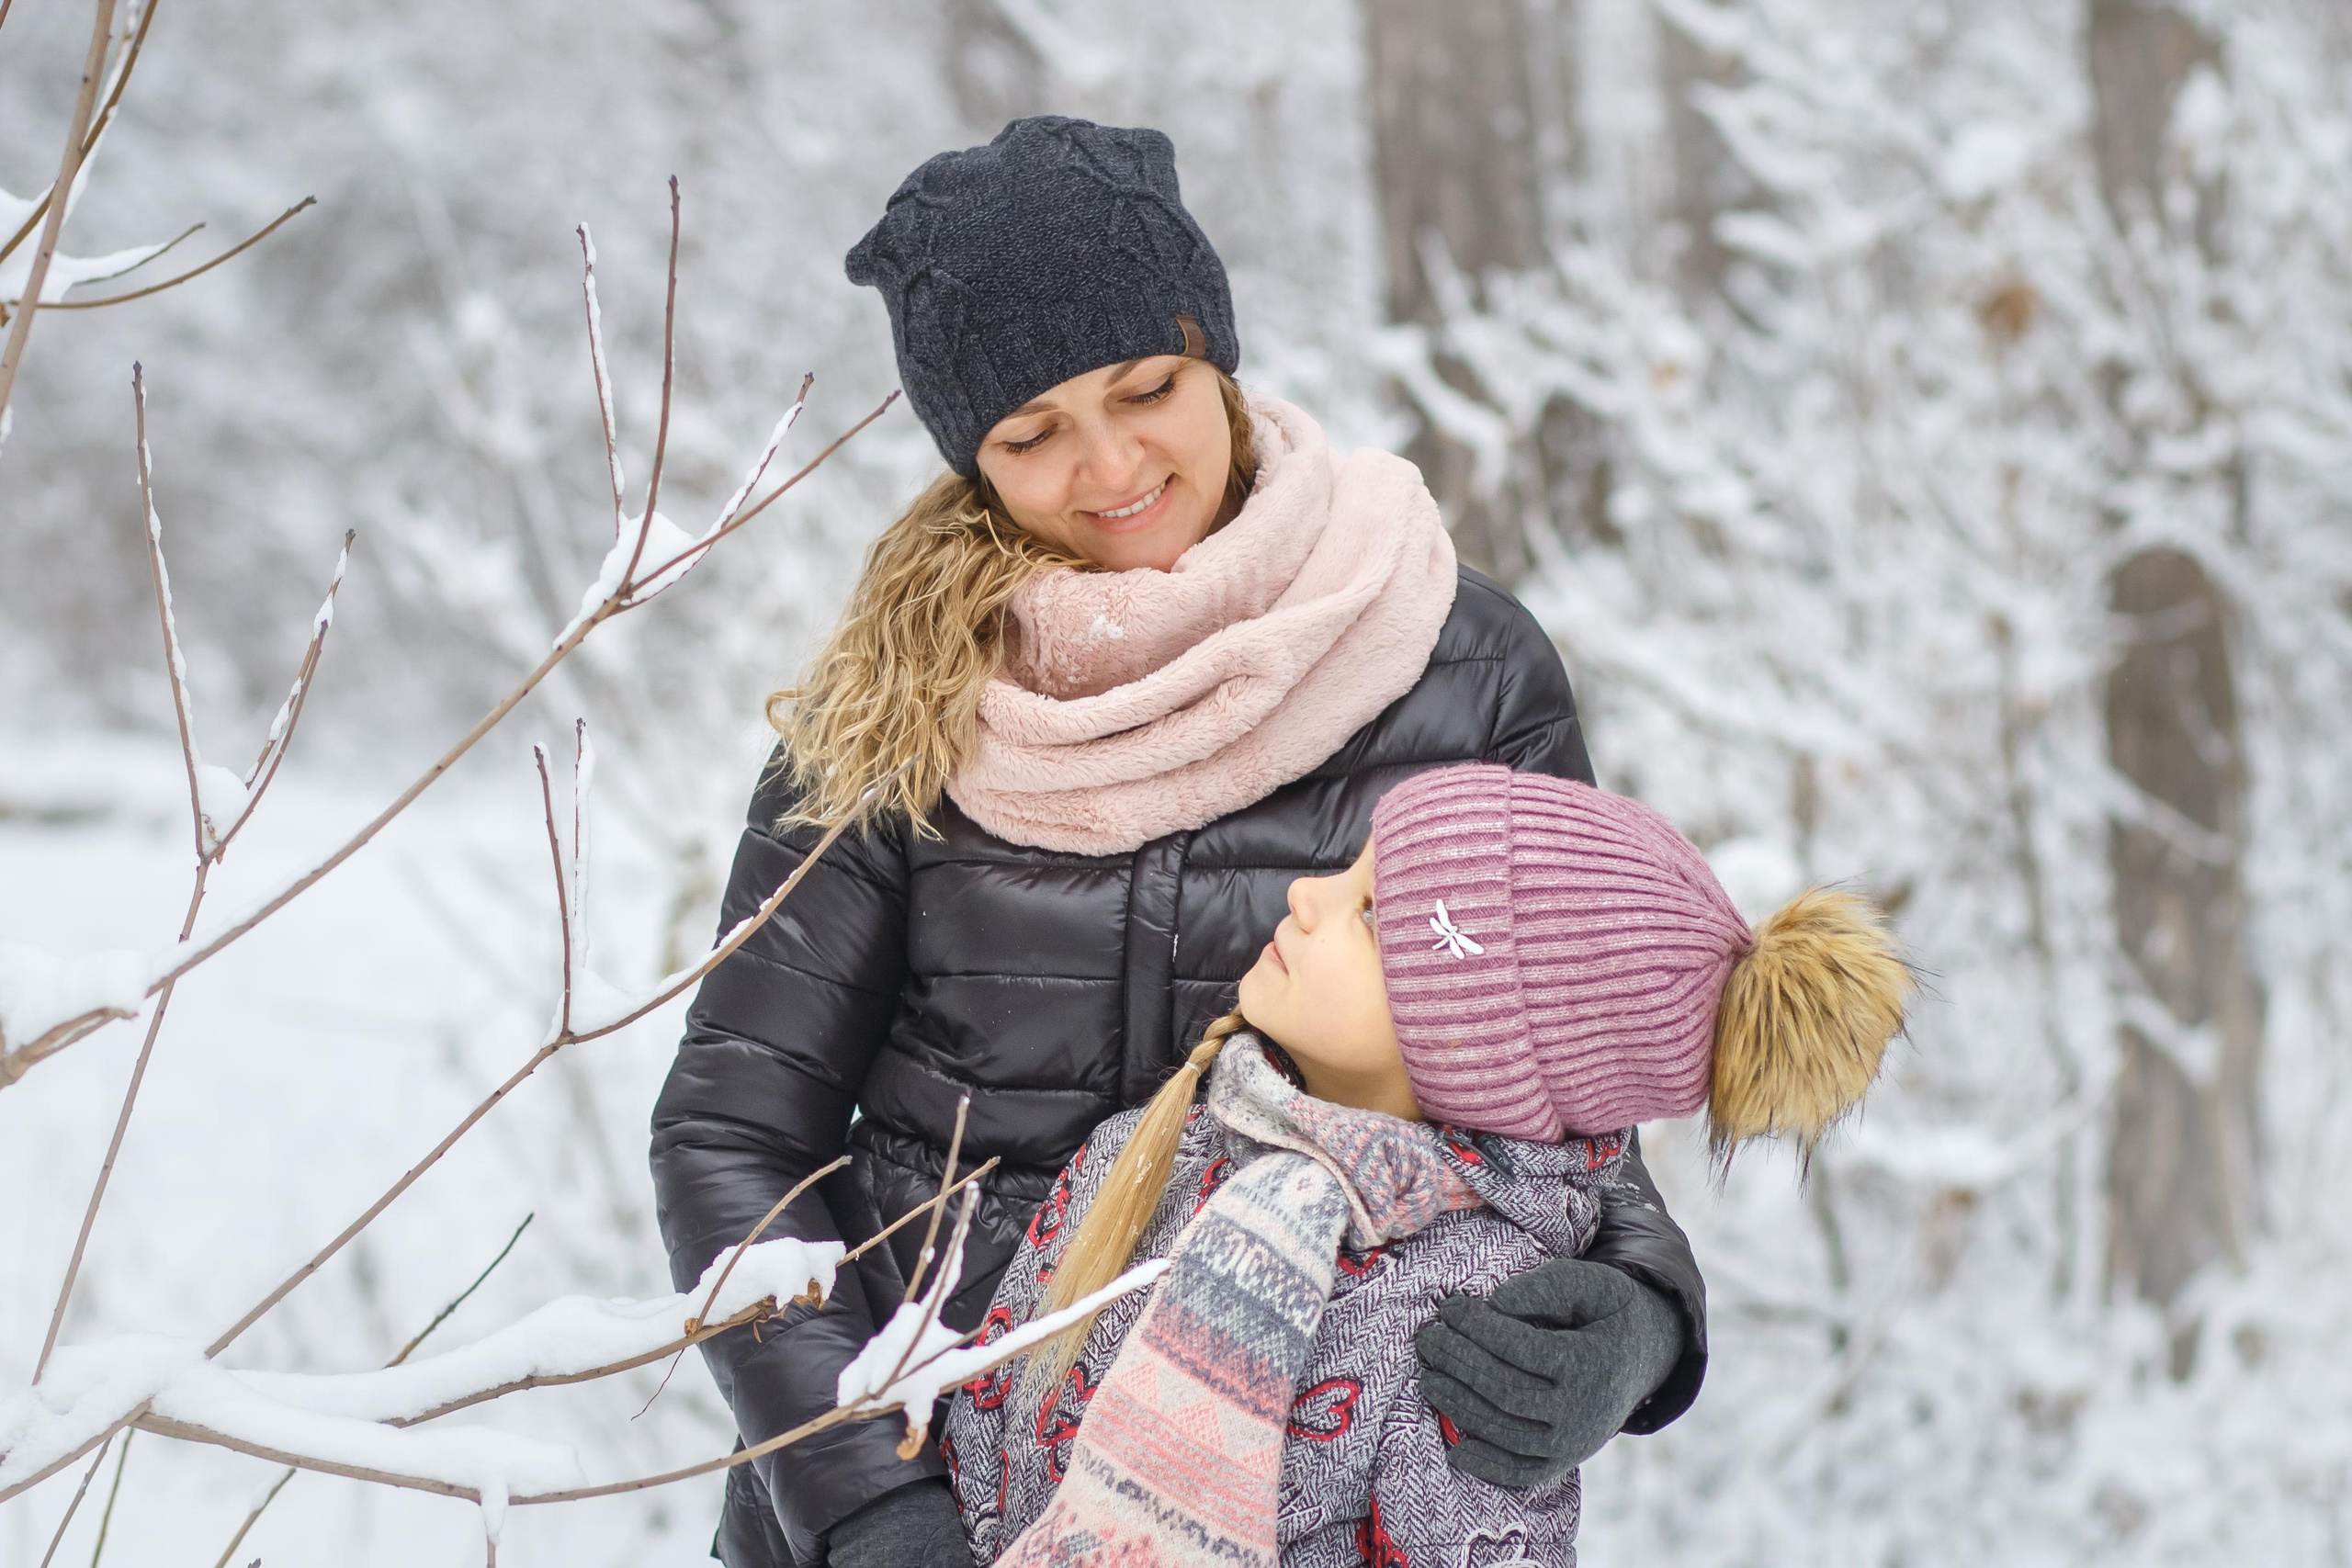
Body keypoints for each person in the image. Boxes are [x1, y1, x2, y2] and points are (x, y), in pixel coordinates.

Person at [650, 116, 1710, 1568]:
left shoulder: (1454, 666)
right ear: (970, 454)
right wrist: (868, 1509)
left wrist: (1642, 1310)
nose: (1109, 466)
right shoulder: (893, 702)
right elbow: (732, 1135)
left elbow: (1564, 1060)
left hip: (1302, 1501)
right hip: (920, 1484)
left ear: (1216, 359)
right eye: (1030, 434)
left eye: (1146, 388)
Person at [944, 763, 1912, 1566]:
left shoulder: (1467, 1324)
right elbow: (981, 1436)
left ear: (1469, 1048)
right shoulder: (1150, 1151)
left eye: (1369, 914)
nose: (1305, 895)